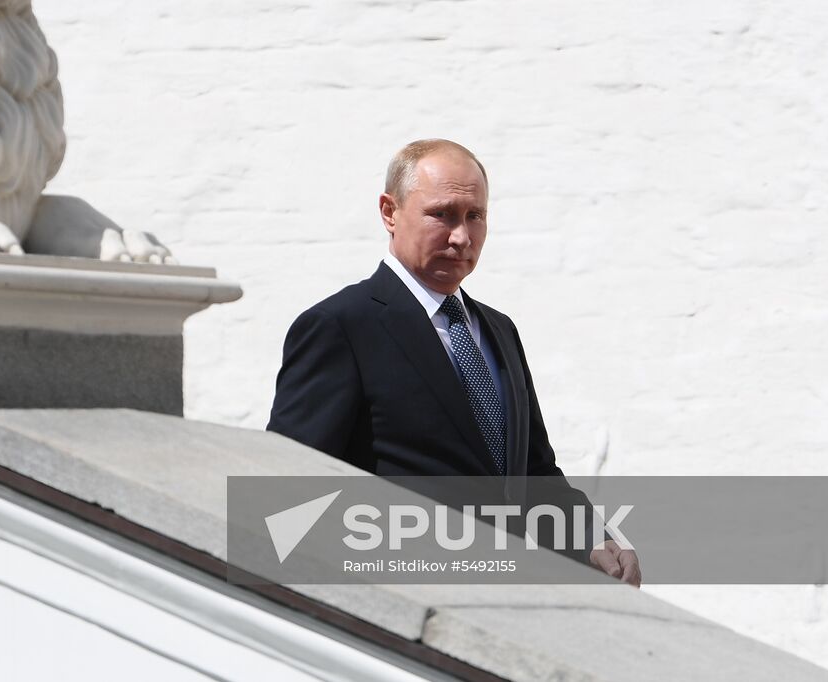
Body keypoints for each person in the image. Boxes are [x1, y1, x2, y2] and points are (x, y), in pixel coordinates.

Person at [267, 138, 641, 586]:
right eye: (441, 214)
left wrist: (590, 537)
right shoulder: (341, 326)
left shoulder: (498, 330)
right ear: (390, 212)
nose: (461, 236)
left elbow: (534, 473)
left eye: (474, 216)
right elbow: (293, 485)